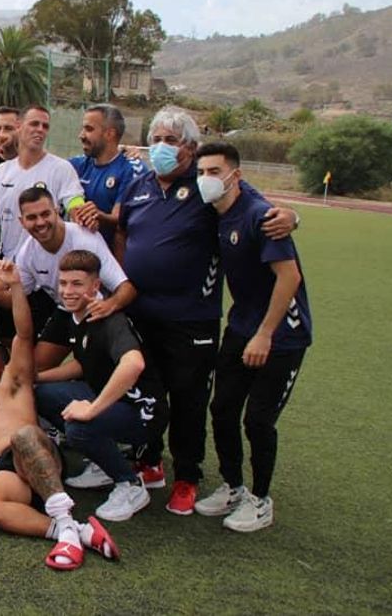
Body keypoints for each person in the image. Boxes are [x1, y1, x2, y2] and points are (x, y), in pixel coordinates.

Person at [112, 105, 298, 515]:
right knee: (146, 393)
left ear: (190, 149)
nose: (161, 147)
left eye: (171, 141)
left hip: (191, 319)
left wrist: (292, 215)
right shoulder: (139, 185)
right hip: (142, 313)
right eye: (156, 139)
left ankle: (187, 477)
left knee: (189, 400)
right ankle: (149, 461)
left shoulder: (205, 186)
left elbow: (258, 209)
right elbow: (123, 231)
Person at [0, 263, 119, 571]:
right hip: (5, 470)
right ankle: (73, 531)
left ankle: (65, 524)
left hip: (36, 451)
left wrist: (17, 287)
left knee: (22, 435)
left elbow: (24, 333)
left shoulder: (14, 382)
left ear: (3, 366)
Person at [193, 142, 311, 532]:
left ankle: (260, 499)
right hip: (240, 327)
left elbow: (289, 277)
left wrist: (265, 335)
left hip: (281, 336)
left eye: (214, 172)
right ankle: (232, 485)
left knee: (258, 420)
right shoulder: (216, 213)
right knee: (222, 409)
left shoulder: (262, 216)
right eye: (202, 172)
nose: (207, 180)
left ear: (235, 176)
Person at [34, 251, 160, 523]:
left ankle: (131, 484)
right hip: (113, 401)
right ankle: (104, 460)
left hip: (142, 411)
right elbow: (82, 364)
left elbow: (134, 364)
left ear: (95, 287)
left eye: (77, 284)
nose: (68, 291)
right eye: (64, 283)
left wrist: (92, 410)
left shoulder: (110, 320)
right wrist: (36, 377)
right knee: (41, 394)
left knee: (78, 427)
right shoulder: (77, 316)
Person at [0, 187, 135, 372]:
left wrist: (108, 305)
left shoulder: (85, 239)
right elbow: (18, 298)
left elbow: (127, 289)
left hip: (98, 313)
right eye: (32, 218)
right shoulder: (27, 253)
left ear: (57, 211)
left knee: (97, 371)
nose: (40, 222)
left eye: (45, 214)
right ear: (22, 222)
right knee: (32, 370)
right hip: (66, 311)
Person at [0, 105, 86, 261]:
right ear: (19, 127)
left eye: (45, 126)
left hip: (49, 264)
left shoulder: (61, 168)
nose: (40, 129)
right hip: (9, 265)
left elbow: (74, 202)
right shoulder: (2, 172)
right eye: (34, 124)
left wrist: (81, 212)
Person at [69, 104, 143, 245]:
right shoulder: (78, 165)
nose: (81, 135)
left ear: (109, 134)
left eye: (89, 129)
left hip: (112, 259)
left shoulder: (130, 168)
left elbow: (120, 219)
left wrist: (96, 213)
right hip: (80, 255)